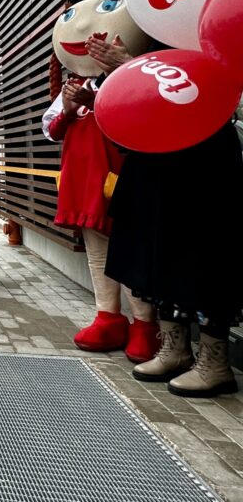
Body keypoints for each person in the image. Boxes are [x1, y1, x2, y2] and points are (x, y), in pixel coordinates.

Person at [88, 35, 243, 398]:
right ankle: (174, 348)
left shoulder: (209, 41)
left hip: (203, 161)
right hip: (153, 156)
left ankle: (215, 362)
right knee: (152, 253)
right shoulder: (149, 31)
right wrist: (123, 71)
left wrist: (133, 64)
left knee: (203, 257)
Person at [44, 0, 157, 363]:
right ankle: (108, 316)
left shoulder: (137, 72)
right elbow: (53, 128)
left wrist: (123, 70)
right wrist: (70, 106)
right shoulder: (74, 85)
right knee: (98, 254)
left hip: (123, 179)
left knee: (131, 251)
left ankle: (145, 324)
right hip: (84, 181)